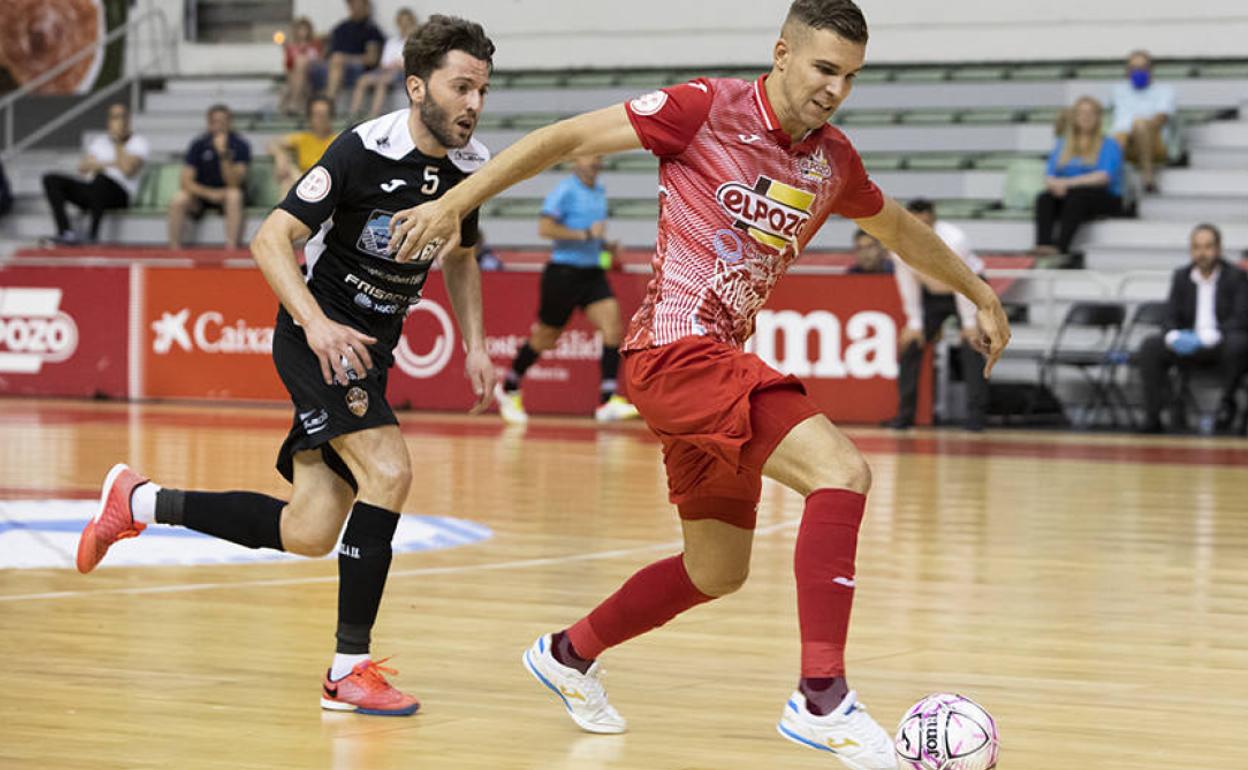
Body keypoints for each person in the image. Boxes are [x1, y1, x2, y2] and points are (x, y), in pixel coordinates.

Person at [388, 1, 1010, 766]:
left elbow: (901, 230)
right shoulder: (703, 109)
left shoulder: (833, 162)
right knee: (842, 472)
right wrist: (454, 202)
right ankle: (822, 698)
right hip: (676, 350)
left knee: (717, 568)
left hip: (706, 362)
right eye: (823, 69)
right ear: (782, 53)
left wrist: (977, 290)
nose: (834, 89)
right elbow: (565, 138)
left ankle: (568, 653)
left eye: (849, 77)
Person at [77, 16, 497, 717]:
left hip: (370, 352)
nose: (474, 104)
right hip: (316, 341)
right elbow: (272, 239)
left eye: (482, 89)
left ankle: (139, 502)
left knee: (309, 531)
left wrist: (477, 342)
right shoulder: (363, 151)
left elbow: (460, 255)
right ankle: (347, 671)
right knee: (390, 472)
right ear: (418, 85)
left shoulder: (471, 165)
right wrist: (318, 323)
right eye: (462, 87)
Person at [495, 154, 640, 423]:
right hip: (563, 273)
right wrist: (585, 235)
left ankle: (607, 401)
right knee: (547, 336)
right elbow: (545, 228)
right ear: (576, 160)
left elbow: (594, 232)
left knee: (613, 328)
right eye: (589, 156)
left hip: (592, 272)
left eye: (599, 156)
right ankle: (509, 387)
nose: (595, 161)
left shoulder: (599, 190)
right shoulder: (564, 191)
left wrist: (605, 246)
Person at [882, 199, 990, 431]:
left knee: (973, 345)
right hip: (932, 292)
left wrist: (970, 322)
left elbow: (965, 281)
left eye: (926, 223)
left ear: (933, 220)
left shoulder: (954, 239)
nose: (921, 228)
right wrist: (915, 322)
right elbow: (907, 282)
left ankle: (976, 416)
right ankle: (905, 415)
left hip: (968, 290)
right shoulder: (898, 243)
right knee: (911, 345)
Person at [1137, 223, 1248, 434]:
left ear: (1218, 249)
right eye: (1197, 247)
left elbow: (1241, 318)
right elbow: (1170, 315)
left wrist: (1214, 335)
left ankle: (1227, 405)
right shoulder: (1181, 276)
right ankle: (1153, 416)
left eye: (1207, 247)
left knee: (1240, 343)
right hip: (1189, 343)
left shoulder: (1235, 277)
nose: (1202, 253)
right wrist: (1173, 335)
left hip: (1220, 344)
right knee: (1150, 346)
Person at [41, 102, 149, 244]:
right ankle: (65, 232)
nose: (118, 121)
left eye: (122, 117)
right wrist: (110, 164)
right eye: (114, 117)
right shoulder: (100, 141)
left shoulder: (139, 142)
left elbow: (127, 170)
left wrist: (117, 143)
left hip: (120, 193)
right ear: (109, 120)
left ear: (129, 119)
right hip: (93, 190)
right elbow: (83, 167)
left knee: (101, 180)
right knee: (51, 179)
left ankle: (92, 235)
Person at [1034, 96, 1123, 257]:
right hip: (1069, 194)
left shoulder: (1109, 144)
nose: (1086, 117)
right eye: (1081, 113)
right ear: (1074, 117)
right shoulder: (1063, 144)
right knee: (1044, 198)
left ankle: (1061, 247)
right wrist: (1055, 185)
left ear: (1098, 117)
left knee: (1077, 197)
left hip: (1101, 197)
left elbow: (1103, 177)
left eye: (1091, 113)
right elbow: (1049, 175)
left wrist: (1067, 184)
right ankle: (1043, 244)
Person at [167, 104, 252, 249]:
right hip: (201, 195)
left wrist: (223, 155)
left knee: (234, 195)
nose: (218, 126)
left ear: (229, 122)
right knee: (179, 199)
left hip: (226, 194)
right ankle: (174, 247)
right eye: (215, 122)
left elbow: (234, 182)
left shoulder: (240, 145)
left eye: (222, 122)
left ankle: (231, 247)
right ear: (208, 123)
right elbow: (186, 181)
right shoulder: (198, 144)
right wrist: (209, 194)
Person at [1109, 49, 1176, 194]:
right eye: (1133, 68)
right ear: (1127, 71)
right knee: (1116, 137)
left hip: (1153, 142)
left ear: (1151, 70)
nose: (1137, 71)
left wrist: (1138, 128)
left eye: (1142, 68)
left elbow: (1161, 118)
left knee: (1139, 125)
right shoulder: (1117, 90)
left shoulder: (1165, 91)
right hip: (1123, 141)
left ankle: (1147, 178)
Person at [349, 8, 419, 120]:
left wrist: (397, 65)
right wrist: (389, 66)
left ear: (412, 23)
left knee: (382, 81)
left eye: (407, 22)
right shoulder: (392, 41)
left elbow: (414, 63)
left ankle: (373, 115)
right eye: (402, 22)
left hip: (403, 72)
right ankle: (353, 114)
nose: (404, 25)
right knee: (362, 80)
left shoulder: (415, 42)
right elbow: (383, 63)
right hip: (386, 70)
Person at [313, 0, 385, 102]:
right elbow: (327, 50)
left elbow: (371, 59)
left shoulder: (371, 30)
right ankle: (295, 106)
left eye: (357, 4)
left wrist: (345, 58)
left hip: (357, 68)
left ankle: (329, 100)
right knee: (301, 62)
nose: (354, 7)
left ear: (366, 6)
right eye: (351, 4)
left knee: (337, 59)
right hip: (332, 63)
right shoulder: (341, 28)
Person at [270, 96, 339, 198]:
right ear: (309, 117)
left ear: (331, 116)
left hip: (328, 185)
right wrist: (280, 156)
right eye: (316, 115)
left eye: (324, 114)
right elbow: (273, 143)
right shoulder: (302, 139)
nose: (320, 119)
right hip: (303, 182)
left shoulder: (338, 140)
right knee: (287, 182)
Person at [279, 17, 323, 116]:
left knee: (301, 61)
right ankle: (295, 101)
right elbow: (288, 65)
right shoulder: (291, 46)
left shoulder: (315, 44)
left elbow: (319, 61)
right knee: (296, 68)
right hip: (295, 76)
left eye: (305, 29)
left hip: (311, 75)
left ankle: (294, 101)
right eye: (300, 29)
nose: (303, 32)